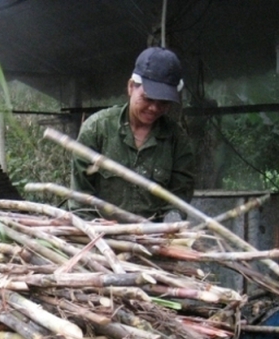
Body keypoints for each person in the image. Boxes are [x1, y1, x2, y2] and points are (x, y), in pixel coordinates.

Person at [72, 46, 195, 221]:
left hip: (154, 240)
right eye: (148, 99)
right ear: (131, 87)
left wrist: (171, 221)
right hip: (102, 237)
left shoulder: (177, 140)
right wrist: (93, 233)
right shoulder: (97, 129)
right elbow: (80, 200)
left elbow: (179, 196)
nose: (154, 108)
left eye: (163, 102)